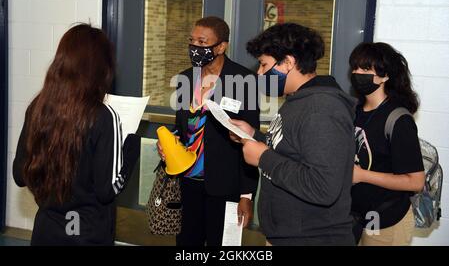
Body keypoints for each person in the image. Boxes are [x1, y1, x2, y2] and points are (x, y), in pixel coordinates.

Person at [13, 24, 140, 245]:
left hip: (46, 232)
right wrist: (131, 151)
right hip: (87, 234)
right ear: (100, 68)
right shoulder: (103, 116)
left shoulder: (38, 107)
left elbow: (19, 175)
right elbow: (106, 190)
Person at [230, 23, 356, 246]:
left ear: (288, 62)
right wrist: (254, 136)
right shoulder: (297, 100)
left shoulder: (321, 109)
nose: (259, 73)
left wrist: (262, 157)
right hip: (287, 236)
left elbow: (323, 186)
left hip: (312, 239)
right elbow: (290, 152)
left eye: (263, 65)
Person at [157, 16, 260, 246]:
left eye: (202, 43)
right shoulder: (185, 78)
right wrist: (168, 143)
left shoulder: (244, 80)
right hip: (187, 183)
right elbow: (181, 128)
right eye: (191, 41)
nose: (195, 48)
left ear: (221, 46)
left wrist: (246, 196)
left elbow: (249, 140)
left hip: (225, 187)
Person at [349, 42, 425, 246]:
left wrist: (362, 175)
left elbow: (415, 181)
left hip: (386, 220)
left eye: (365, 69)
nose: (357, 73)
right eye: (355, 67)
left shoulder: (398, 119)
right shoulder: (354, 110)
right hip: (355, 217)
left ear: (385, 75)